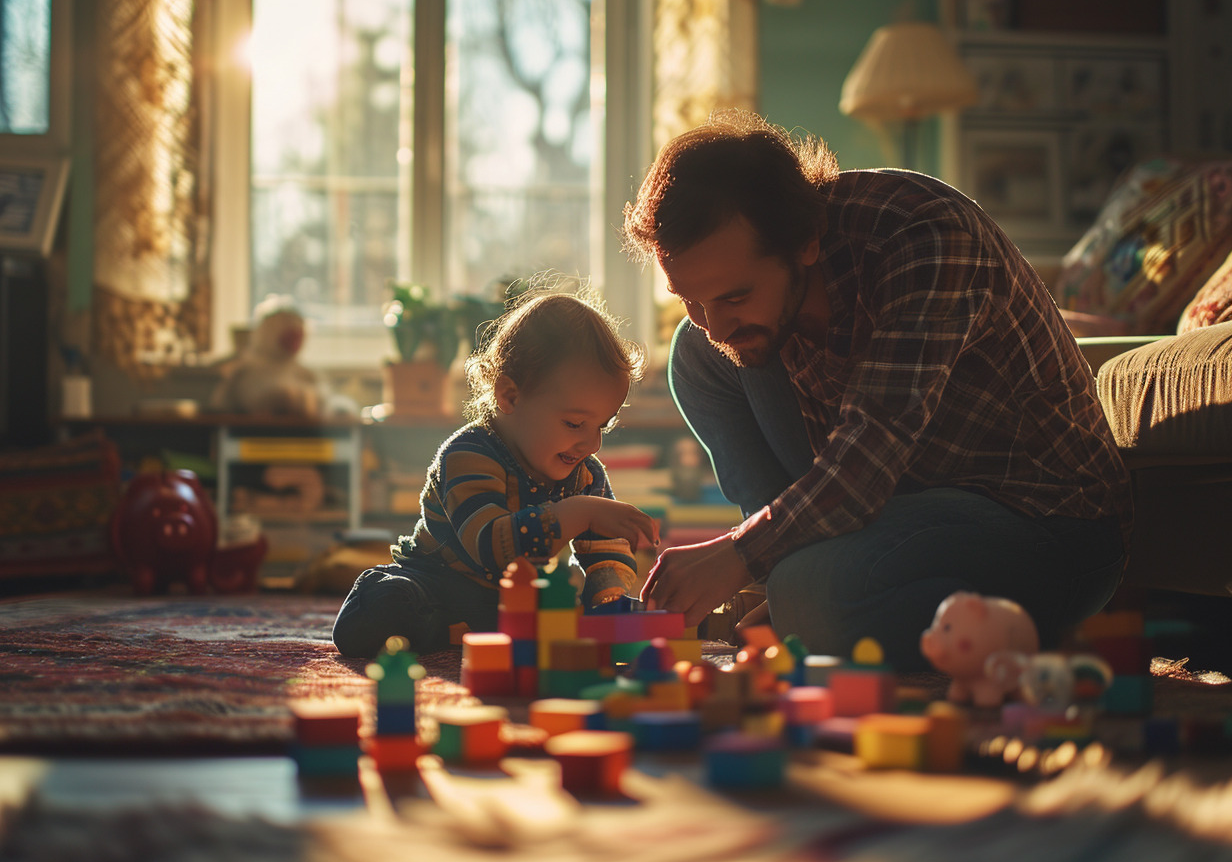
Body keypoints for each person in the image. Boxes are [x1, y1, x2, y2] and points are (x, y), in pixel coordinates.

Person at [622, 109, 1132, 671]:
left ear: (806, 244)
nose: (715, 322)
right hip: (901, 503)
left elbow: (863, 465)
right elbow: (855, 475)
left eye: (735, 297)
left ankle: (825, 595)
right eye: (691, 300)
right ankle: (799, 584)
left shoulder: (925, 238)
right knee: (698, 357)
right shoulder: (737, 315)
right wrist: (766, 558)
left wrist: (740, 552)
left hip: (1044, 524)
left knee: (809, 596)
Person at [332, 289, 660, 659]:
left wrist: (608, 595)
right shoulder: (466, 456)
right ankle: (443, 628)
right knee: (387, 605)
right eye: (575, 423)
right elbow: (491, 545)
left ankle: (473, 632)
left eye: (603, 425)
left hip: (514, 597)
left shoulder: (584, 474)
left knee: (569, 604)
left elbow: (605, 548)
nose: (593, 444)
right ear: (510, 397)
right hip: (438, 583)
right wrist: (580, 512)